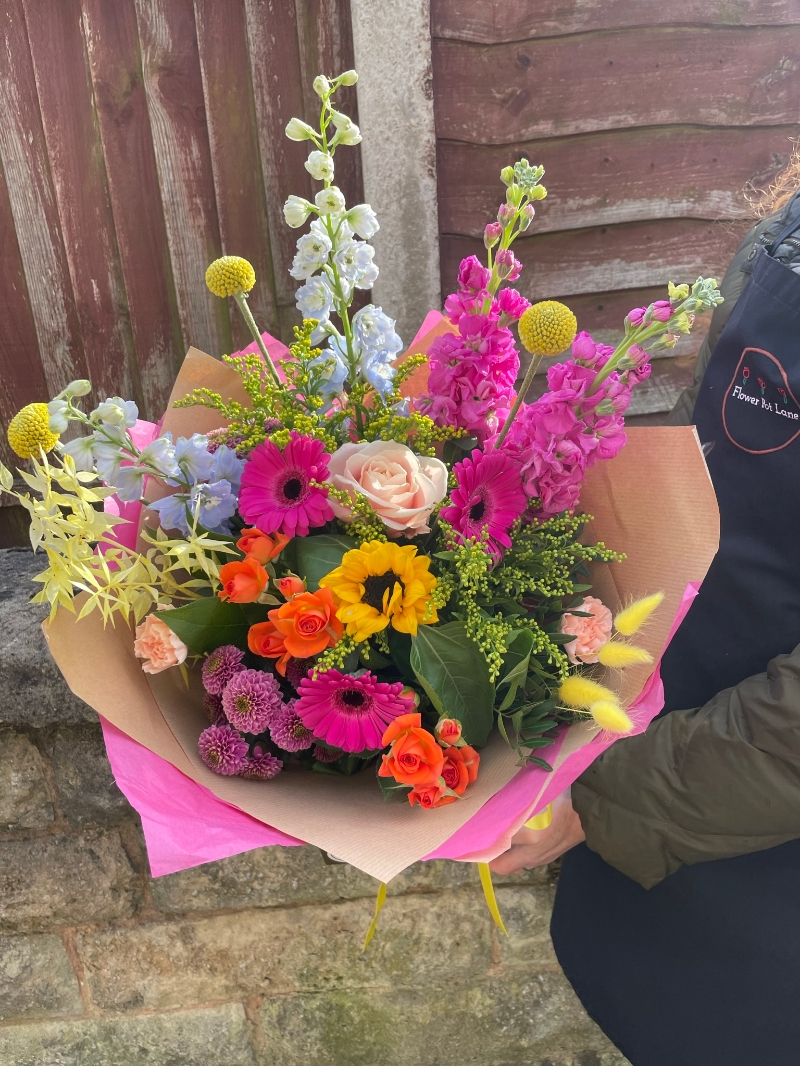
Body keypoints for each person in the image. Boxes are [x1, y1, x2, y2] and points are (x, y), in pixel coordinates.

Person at [490, 159, 800, 1066]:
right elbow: (708, 482)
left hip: (757, 859)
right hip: (666, 811)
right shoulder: (789, 227)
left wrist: (600, 801)